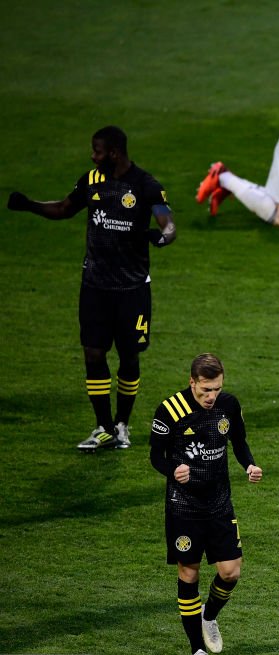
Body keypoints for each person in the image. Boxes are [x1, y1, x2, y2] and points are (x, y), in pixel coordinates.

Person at [7, 126, 176, 450]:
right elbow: (64, 208)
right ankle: (103, 427)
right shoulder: (92, 180)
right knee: (94, 353)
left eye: (97, 151)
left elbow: (168, 224)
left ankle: (123, 425)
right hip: (95, 286)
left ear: (113, 152)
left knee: (129, 356)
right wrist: (29, 205)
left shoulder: (145, 185)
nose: (92, 156)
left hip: (131, 289)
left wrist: (162, 237)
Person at [149, 354, 263, 655]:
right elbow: (155, 455)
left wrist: (249, 464)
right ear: (192, 383)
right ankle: (197, 650)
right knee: (189, 573)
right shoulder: (170, 411)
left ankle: (208, 616)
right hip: (184, 506)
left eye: (216, 389)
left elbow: (238, 441)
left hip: (218, 503)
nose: (211, 396)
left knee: (231, 571)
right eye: (206, 390)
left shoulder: (228, 404)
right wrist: (174, 469)